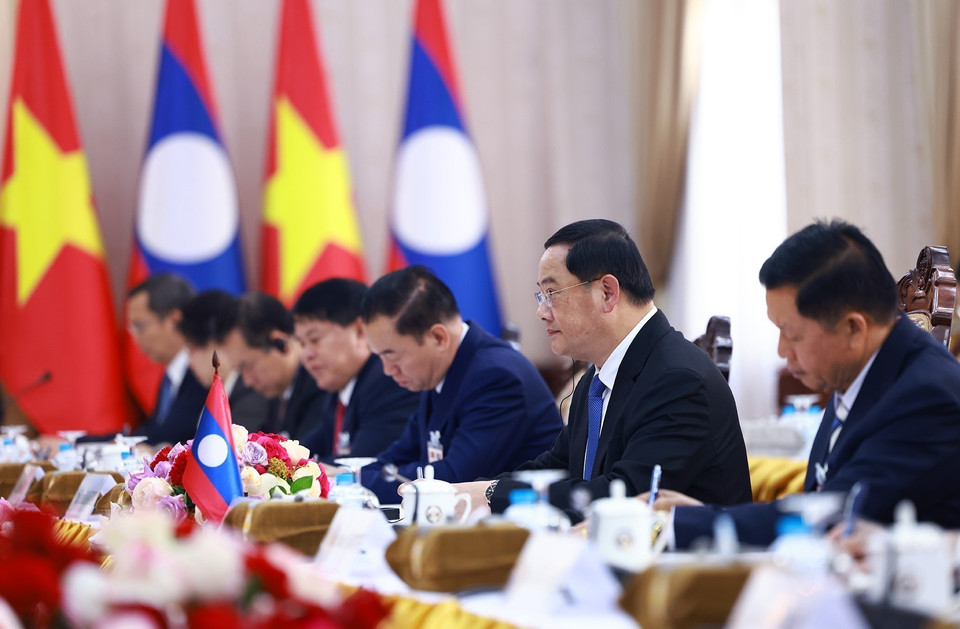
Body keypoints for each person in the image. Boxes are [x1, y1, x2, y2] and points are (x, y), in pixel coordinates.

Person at [653, 220, 960, 548]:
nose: (782, 351)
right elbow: (818, 505)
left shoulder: (928, 396)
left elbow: (832, 516)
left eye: (793, 334)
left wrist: (680, 525)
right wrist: (714, 516)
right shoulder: (857, 374)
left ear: (853, 329)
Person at [460, 219, 751, 518]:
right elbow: (556, 468)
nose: (541, 312)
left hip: (689, 560)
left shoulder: (678, 380)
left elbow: (626, 496)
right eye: (542, 296)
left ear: (607, 293)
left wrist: (492, 494)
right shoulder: (597, 379)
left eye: (552, 294)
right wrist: (470, 491)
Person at [359, 265, 562, 504]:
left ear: (438, 337)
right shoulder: (441, 370)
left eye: (392, 355)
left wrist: (356, 484)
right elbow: (395, 458)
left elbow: (452, 480)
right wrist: (346, 478)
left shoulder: (497, 376)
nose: (387, 369)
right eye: (379, 357)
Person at [290, 279, 419, 459]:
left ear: (359, 331)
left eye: (315, 340)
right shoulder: (339, 391)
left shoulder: (389, 381)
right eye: (302, 344)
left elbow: (361, 464)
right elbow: (303, 455)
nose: (307, 355)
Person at [222, 292, 329, 440]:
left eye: (248, 366)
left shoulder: (322, 386)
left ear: (280, 344)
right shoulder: (277, 393)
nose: (247, 381)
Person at [127, 273, 205, 446]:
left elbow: (170, 438)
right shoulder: (171, 375)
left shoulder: (202, 373)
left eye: (140, 326)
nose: (134, 338)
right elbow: (151, 433)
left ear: (174, 321)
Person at [178, 290, 271, 432]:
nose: (190, 363)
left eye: (192, 350)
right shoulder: (213, 389)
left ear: (218, 344)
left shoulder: (250, 391)